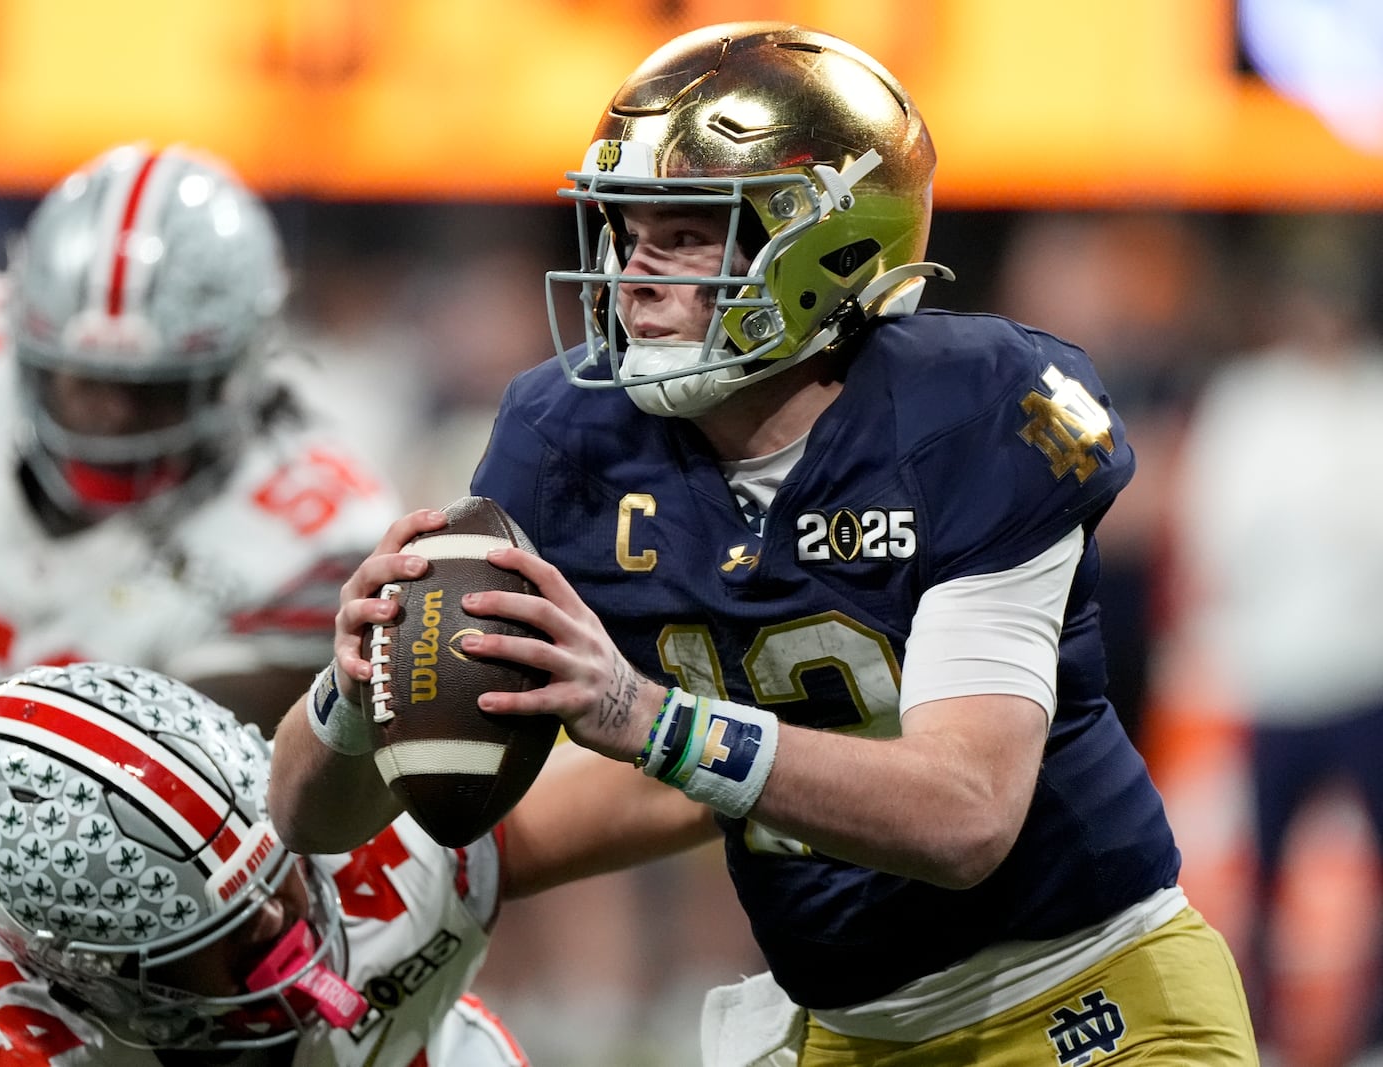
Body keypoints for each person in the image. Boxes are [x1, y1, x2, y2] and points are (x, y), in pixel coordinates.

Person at [267, 21, 1258, 1067]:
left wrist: (638, 711)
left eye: (686, 233)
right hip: (846, 1030)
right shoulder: (571, 440)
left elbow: (966, 814)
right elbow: (315, 813)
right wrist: (355, 691)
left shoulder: (965, 411)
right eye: (623, 228)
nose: (633, 275)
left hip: (1089, 999)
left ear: (830, 250)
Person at [0, 142, 400, 969]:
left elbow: (144, 829)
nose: (109, 419)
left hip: (174, 907)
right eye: (84, 380)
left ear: (238, 370)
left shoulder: (312, 534)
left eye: (148, 388)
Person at [0, 661, 527, 1067]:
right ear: (95, 975)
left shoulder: (374, 857)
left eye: (276, 869)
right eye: (228, 928)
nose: (277, 918)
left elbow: (623, 802)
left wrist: (632, 723)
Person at [1171, 215, 1383, 1063]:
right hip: (1279, 674)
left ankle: (1371, 1025)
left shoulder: (1372, 395)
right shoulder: (1247, 399)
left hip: (1367, 668)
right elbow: (1218, 532)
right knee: (1264, 863)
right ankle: (1255, 1023)